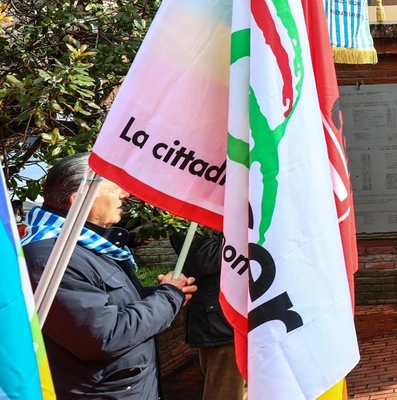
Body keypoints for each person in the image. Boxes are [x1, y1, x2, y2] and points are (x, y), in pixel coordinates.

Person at [22, 153, 196, 400]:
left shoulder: (87, 246)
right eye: (114, 187)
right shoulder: (50, 257)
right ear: (79, 200)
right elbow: (103, 336)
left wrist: (164, 293)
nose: (125, 194)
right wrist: (168, 297)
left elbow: (108, 306)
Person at [171, 230, 246, 399]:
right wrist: (250, 241)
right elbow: (203, 257)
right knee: (225, 391)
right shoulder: (189, 219)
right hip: (221, 321)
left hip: (230, 318)